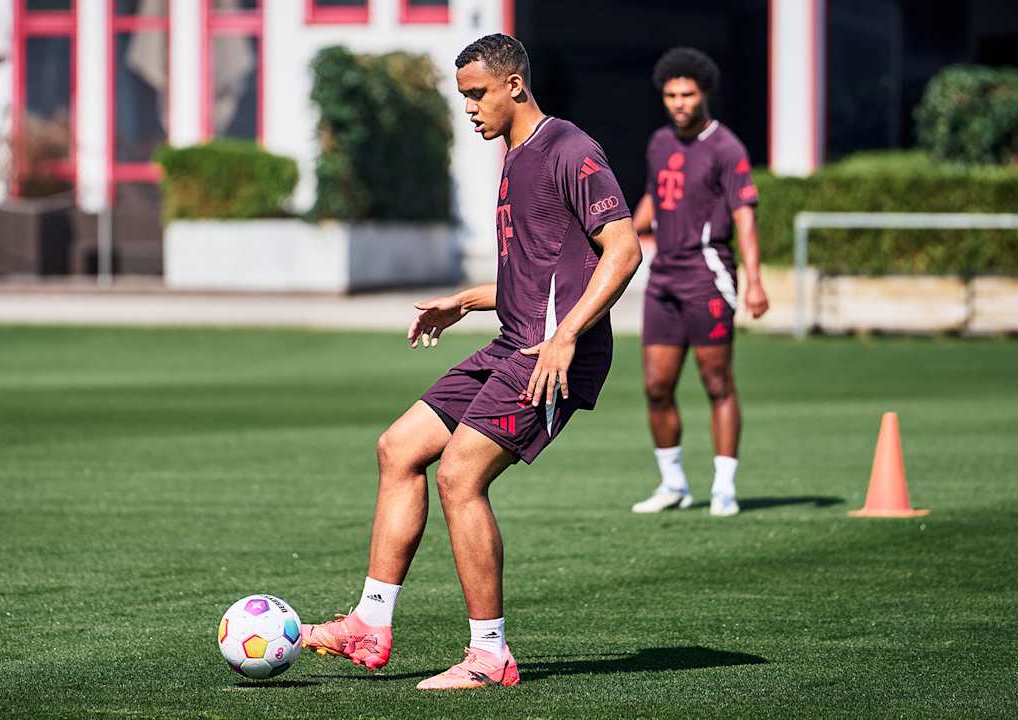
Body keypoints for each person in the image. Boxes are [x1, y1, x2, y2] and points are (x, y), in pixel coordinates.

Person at [298, 34, 641, 690]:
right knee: (398, 448)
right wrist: (466, 300)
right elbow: (540, 272)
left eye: (477, 94)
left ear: (515, 85)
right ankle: (371, 623)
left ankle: (490, 655)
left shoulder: (570, 147)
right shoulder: (515, 159)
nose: (470, 109)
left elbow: (622, 250)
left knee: (459, 475)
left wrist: (567, 336)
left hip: (552, 354)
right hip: (514, 340)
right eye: (463, 98)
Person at [629, 47, 769, 518]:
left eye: (687, 93)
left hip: (708, 276)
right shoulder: (658, 143)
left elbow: (744, 217)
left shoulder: (726, 148)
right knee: (655, 386)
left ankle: (724, 487)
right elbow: (654, 197)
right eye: (670, 94)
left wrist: (754, 282)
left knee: (716, 381)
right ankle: (674, 484)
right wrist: (622, 236)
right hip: (663, 277)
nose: (679, 102)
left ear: (704, 92)